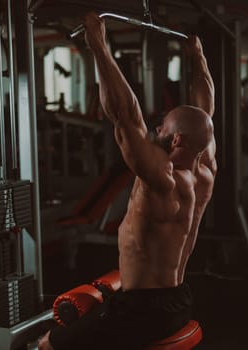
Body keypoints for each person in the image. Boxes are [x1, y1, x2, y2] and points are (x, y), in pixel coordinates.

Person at [39, 12, 216, 350]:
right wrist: (198, 57)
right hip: (180, 298)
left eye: (162, 127)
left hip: (142, 309)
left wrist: (98, 46)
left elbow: (124, 116)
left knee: (47, 344)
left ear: (177, 140)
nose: (156, 130)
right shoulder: (205, 169)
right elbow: (204, 112)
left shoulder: (161, 177)